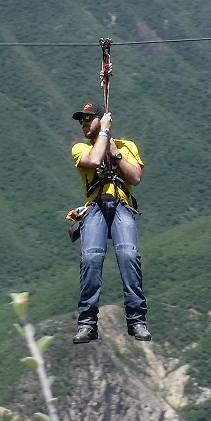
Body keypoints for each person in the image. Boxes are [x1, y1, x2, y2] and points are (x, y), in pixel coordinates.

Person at [70, 101, 150, 344]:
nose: (83, 123)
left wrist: (115, 153)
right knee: (91, 258)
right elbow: (93, 162)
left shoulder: (127, 147)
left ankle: (137, 320)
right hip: (96, 205)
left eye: (88, 119)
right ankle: (87, 323)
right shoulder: (80, 149)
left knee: (128, 256)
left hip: (121, 204)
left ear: (100, 119)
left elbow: (135, 177)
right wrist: (103, 134)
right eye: (81, 120)